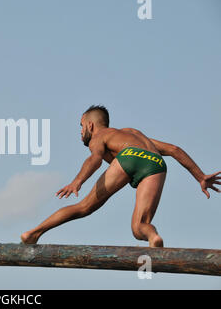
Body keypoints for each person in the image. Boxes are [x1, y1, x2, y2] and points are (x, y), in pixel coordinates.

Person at [21, 105, 220, 247]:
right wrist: (200, 176)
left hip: (128, 156)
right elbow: (174, 149)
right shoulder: (133, 133)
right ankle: (153, 237)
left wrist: (77, 181)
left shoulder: (100, 136)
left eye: (81, 126)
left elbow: (95, 160)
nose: (80, 132)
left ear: (90, 125)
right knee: (139, 226)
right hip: (156, 163)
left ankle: (33, 233)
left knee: (83, 207)